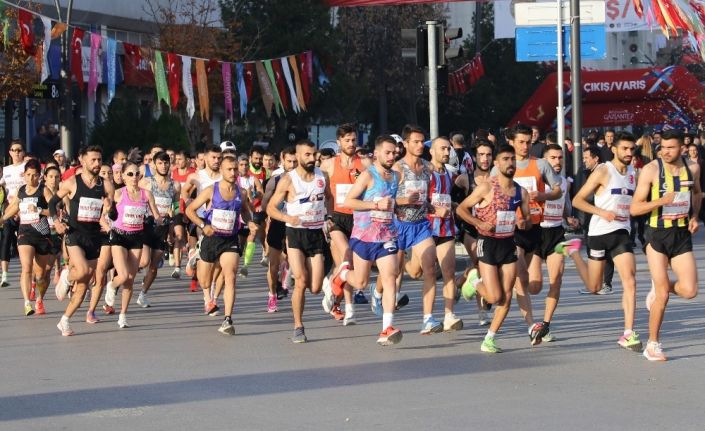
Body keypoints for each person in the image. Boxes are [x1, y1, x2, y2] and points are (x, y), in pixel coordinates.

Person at [630, 129, 701, 361]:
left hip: (681, 234)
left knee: (690, 290)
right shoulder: (651, 170)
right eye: (663, 147)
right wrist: (661, 200)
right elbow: (635, 208)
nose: (666, 151)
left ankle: (660, 283)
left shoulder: (693, 168)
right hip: (656, 234)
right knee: (663, 295)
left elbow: (697, 193)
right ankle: (652, 344)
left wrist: (694, 217)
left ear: (682, 147)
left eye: (671, 147)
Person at [456, 144, 531, 353]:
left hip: (508, 244)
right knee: (493, 297)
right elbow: (461, 209)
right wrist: (478, 223)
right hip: (487, 243)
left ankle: (490, 338)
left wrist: (524, 223)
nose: (510, 163)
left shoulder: (521, 192)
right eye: (505, 159)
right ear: (497, 164)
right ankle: (473, 278)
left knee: (506, 296)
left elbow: (527, 221)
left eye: (512, 159)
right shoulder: (487, 187)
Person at [572, 132, 642, 352]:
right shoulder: (604, 170)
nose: (629, 153)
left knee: (630, 281)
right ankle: (573, 251)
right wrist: (601, 211)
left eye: (632, 149)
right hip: (599, 233)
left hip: (621, 232)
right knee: (594, 287)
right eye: (625, 149)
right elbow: (578, 200)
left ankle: (628, 333)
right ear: (615, 149)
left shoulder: (634, 173)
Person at [500, 124, 562, 343]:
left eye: (528, 142)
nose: (525, 146)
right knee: (520, 277)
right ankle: (533, 327)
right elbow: (491, 190)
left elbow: (557, 190)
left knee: (534, 285)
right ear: (512, 142)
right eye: (521, 142)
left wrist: (542, 196)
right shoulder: (504, 164)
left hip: (535, 228)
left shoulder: (541, 164)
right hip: (512, 229)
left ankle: (484, 279)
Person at [266, 140, 332, 343]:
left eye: (314, 155)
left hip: (315, 234)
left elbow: (328, 198)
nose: (312, 159)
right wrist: (288, 218)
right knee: (301, 281)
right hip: (295, 233)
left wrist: (328, 217)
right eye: (307, 155)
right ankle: (298, 326)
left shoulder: (323, 176)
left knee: (315, 287)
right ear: (299, 156)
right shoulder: (288, 179)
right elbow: (270, 208)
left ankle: (326, 287)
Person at [341, 135, 403, 345]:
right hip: (364, 235)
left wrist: (398, 209)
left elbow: (391, 203)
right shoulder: (368, 175)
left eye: (394, 152)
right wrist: (375, 205)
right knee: (360, 281)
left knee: (390, 277)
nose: (391, 156)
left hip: (386, 235)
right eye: (387, 152)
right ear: (376, 153)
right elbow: (349, 201)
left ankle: (387, 327)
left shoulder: (395, 176)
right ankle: (341, 275)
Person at [186, 154, 255, 335]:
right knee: (205, 281)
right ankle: (196, 258)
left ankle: (227, 320)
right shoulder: (211, 190)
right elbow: (189, 210)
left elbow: (246, 213)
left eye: (235, 169)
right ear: (222, 171)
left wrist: (251, 222)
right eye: (229, 170)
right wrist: (203, 225)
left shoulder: (242, 192)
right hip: (211, 238)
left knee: (230, 276)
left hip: (230, 240)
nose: (233, 173)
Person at [51, 146, 115, 336]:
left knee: (83, 286)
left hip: (94, 237)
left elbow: (113, 212)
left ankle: (65, 320)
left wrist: (110, 208)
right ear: (83, 160)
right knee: (84, 270)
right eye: (93, 160)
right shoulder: (72, 182)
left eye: (99, 160)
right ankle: (66, 277)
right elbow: (52, 202)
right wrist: (56, 221)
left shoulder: (106, 185)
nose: (97, 164)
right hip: (74, 234)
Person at [319, 123, 366, 324]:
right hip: (336, 218)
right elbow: (315, 186)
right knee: (346, 256)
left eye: (354, 140)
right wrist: (322, 216)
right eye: (347, 140)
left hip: (357, 218)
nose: (351, 144)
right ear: (339, 142)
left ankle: (337, 296)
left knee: (345, 266)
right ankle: (348, 308)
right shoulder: (329, 164)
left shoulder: (364, 163)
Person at [0, 160, 54, 316]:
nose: (31, 178)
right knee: (26, 268)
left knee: (41, 275)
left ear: (40, 175)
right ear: (24, 175)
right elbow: (14, 207)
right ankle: (27, 303)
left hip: (42, 235)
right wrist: (2, 219)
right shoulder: (21, 190)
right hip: (25, 233)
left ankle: (39, 298)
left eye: (35, 175)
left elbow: (53, 211)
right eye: (28, 175)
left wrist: (39, 210)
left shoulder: (44, 190)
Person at [137, 151, 180, 307]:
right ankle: (121, 273)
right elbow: (136, 199)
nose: (163, 166)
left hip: (163, 228)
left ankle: (143, 294)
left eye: (166, 162)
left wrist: (172, 227)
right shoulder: (146, 182)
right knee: (144, 261)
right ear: (154, 165)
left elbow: (176, 206)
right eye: (160, 163)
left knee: (154, 268)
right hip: (147, 225)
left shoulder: (175, 185)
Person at [262, 147, 298, 312]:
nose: (292, 165)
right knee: (273, 265)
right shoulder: (274, 181)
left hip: (294, 224)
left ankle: (287, 271)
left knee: (293, 258)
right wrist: (262, 219)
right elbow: (265, 205)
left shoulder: (304, 180)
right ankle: (272, 295)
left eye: (295, 161)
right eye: (289, 161)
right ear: (282, 161)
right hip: (277, 223)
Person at [0, 140, 27, 287]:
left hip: (25, 212)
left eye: (19, 150)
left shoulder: (27, 167)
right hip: (10, 211)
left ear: (23, 152)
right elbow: (1, 186)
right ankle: (4, 275)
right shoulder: (7, 170)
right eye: (14, 150)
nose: (17, 153)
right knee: (6, 240)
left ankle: (26, 272)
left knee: (22, 244)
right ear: (9, 152)